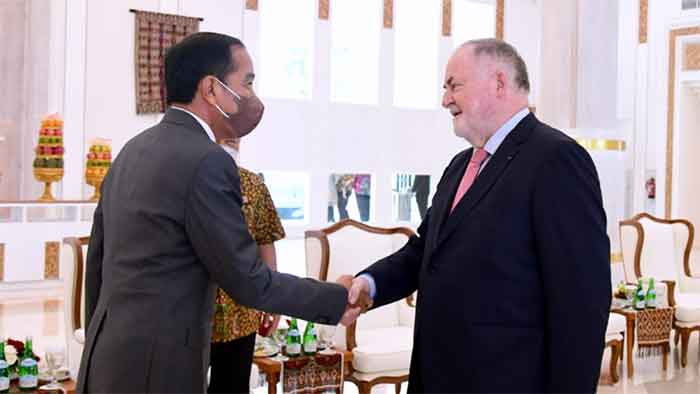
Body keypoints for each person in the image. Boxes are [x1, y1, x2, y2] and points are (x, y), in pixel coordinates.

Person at [77, 32, 357, 393]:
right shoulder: (207, 161)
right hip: (158, 368)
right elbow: (247, 278)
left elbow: (97, 266)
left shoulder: (132, 151)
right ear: (212, 89)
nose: (253, 95)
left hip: (108, 359)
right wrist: (334, 299)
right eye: (248, 82)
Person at [344, 39, 611, 393]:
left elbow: (581, 302)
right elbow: (427, 251)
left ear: (498, 83)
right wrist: (369, 284)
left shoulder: (556, 160)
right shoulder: (459, 166)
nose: (445, 100)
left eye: (454, 85)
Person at [210, 137, 283, 393]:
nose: (233, 136)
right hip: (191, 313)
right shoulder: (185, 180)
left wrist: (273, 299)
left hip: (241, 312)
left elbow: (265, 241)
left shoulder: (253, 184)